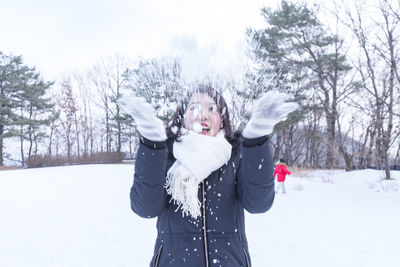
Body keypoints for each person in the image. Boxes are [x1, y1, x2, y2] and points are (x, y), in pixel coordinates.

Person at [120, 85, 298, 267]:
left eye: (212, 108)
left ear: (222, 119)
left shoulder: (235, 156)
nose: (202, 115)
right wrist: (151, 143)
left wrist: (257, 140)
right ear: (182, 117)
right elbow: (145, 208)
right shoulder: (165, 155)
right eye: (194, 107)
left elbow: (259, 204)